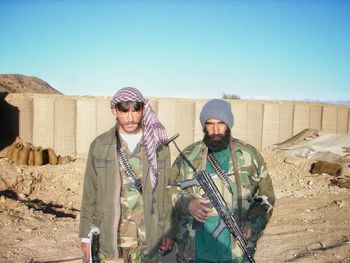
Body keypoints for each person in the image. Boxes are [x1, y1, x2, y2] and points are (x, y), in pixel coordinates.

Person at [168, 99, 275, 263]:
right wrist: (186, 202)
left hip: (235, 252)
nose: (216, 130)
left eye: (221, 123)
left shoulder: (249, 155)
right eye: (210, 124)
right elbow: (168, 189)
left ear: (229, 124)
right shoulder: (189, 155)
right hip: (194, 252)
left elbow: (265, 197)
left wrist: (252, 225)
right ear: (204, 126)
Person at [79, 87, 174, 263]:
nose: (130, 118)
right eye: (124, 111)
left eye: (135, 110)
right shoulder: (100, 145)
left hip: (148, 239)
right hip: (111, 237)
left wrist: (168, 229)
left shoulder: (159, 146)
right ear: (114, 111)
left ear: (143, 110)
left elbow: (167, 192)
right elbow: (89, 193)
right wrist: (85, 235)